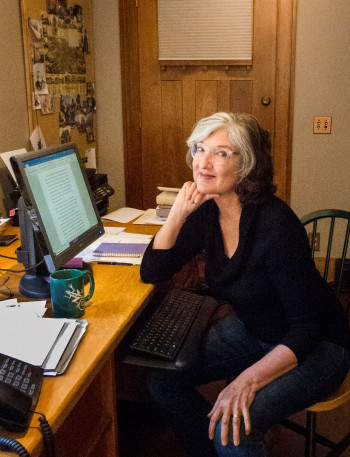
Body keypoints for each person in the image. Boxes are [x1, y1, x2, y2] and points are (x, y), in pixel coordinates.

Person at [140, 112, 350, 457]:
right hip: (257, 328)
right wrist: (178, 212)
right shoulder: (208, 210)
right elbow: (154, 270)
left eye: (221, 153)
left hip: (318, 346)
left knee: (232, 428)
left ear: (246, 165)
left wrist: (247, 380)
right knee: (162, 381)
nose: (203, 163)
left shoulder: (276, 226)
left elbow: (307, 327)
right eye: (199, 148)